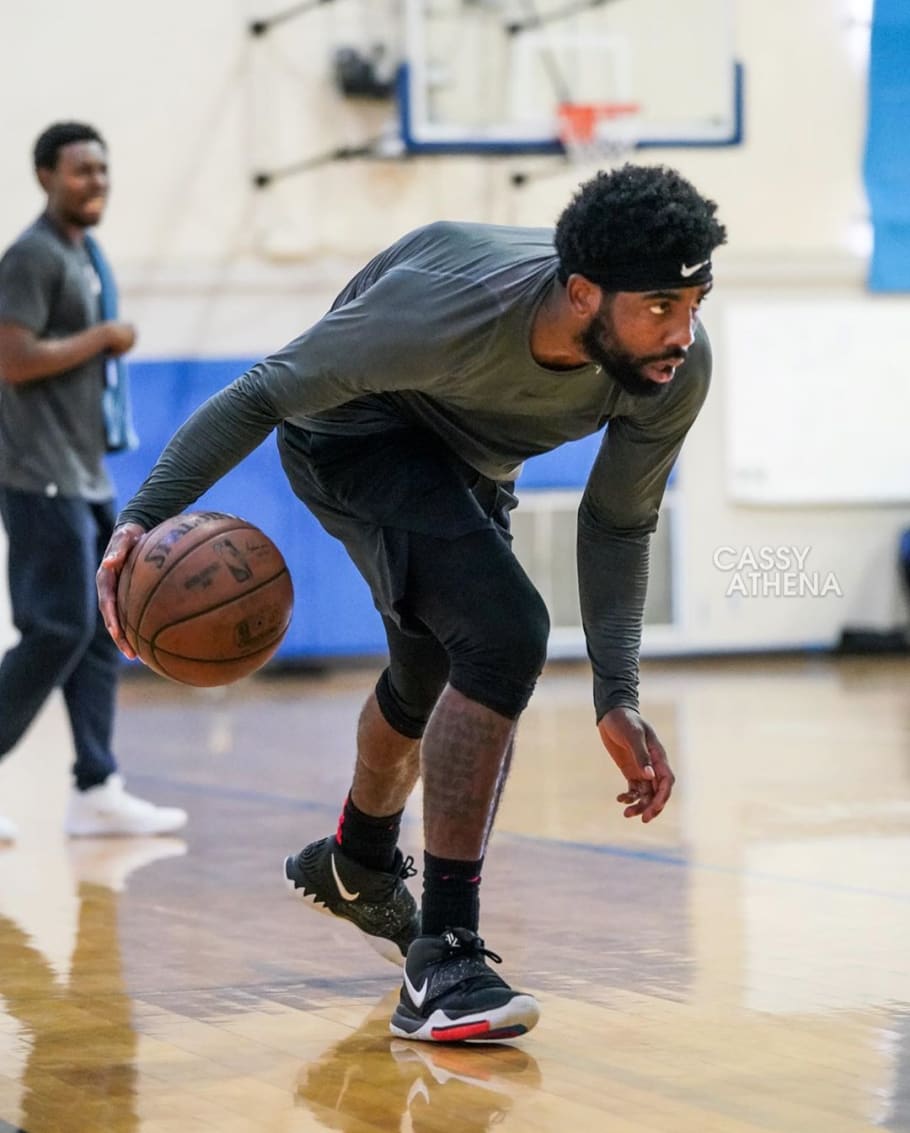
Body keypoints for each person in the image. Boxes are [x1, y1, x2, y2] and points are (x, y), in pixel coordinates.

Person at [97, 163, 726, 1043]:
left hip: (468, 464)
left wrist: (615, 693)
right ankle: (444, 954)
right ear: (583, 293)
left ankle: (356, 862)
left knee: (436, 660)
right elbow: (266, 390)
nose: (683, 330)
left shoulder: (674, 367)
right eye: (661, 305)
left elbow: (618, 523)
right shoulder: (445, 308)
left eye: (696, 300)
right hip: (352, 436)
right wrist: (141, 518)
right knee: (505, 633)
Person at [0, 122, 187, 842]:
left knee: (108, 621)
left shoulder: (86, 253)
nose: (96, 183)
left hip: (83, 469)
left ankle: (97, 787)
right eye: (81, 171)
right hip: (37, 472)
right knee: (57, 626)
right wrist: (102, 338)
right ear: (46, 176)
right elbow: (13, 360)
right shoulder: (31, 257)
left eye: (103, 171)